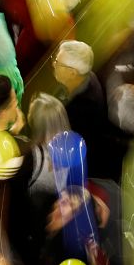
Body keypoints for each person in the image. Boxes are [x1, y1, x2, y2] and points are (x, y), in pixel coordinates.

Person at [53, 40, 127, 181]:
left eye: (58, 63)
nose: (53, 64)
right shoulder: (89, 77)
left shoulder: (80, 109)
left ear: (73, 73)